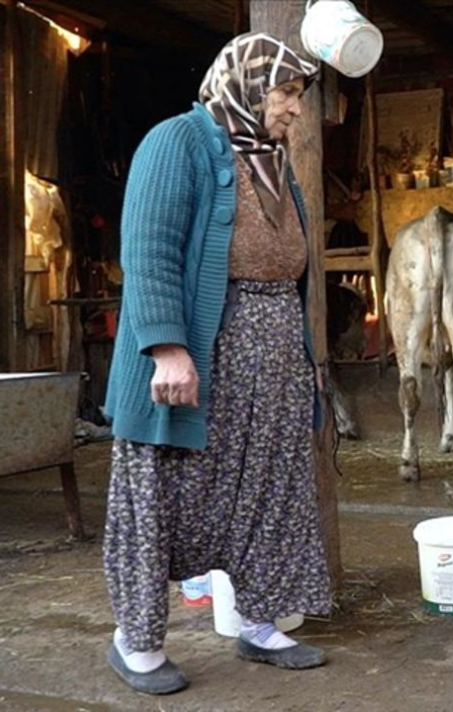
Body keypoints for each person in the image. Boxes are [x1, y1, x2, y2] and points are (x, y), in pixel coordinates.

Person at [102, 33, 331, 694]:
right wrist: (168, 348)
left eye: (296, 96)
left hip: (274, 354)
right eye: (285, 92)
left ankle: (258, 624)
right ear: (246, 84)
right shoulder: (178, 141)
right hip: (199, 354)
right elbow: (149, 249)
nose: (293, 109)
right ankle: (136, 641)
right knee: (163, 489)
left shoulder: (271, 160)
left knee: (269, 484)